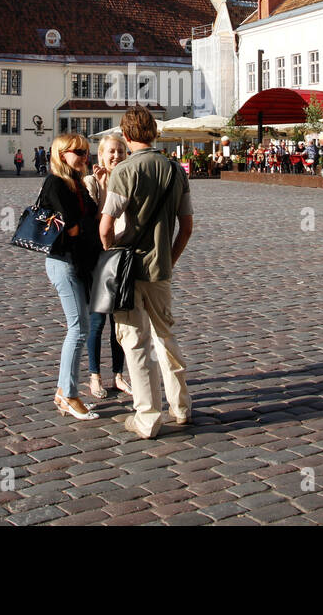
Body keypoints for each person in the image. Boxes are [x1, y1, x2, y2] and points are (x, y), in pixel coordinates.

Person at [100, 106, 194, 440]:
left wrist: (111, 257)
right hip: (160, 268)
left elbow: (106, 225)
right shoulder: (174, 169)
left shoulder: (124, 171)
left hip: (127, 269)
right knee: (166, 336)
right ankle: (180, 407)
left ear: (126, 136)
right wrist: (170, 258)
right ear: (154, 133)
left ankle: (148, 416)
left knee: (134, 342)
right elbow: (186, 227)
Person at [39, 133, 103, 420]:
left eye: (86, 152)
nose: (84, 157)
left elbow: (93, 216)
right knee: (78, 329)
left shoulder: (77, 183)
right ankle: (69, 394)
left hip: (79, 261)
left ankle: (63, 390)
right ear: (62, 154)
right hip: (63, 261)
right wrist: (83, 225)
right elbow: (72, 226)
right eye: (78, 152)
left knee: (80, 327)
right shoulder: (55, 182)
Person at [83, 135, 131, 399]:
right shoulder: (91, 182)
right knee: (98, 320)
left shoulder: (127, 180)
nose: (116, 156)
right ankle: (94, 376)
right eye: (111, 151)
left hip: (122, 255)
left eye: (121, 151)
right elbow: (94, 224)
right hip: (99, 258)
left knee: (120, 321)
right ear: (100, 155)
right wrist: (103, 188)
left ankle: (119, 375)